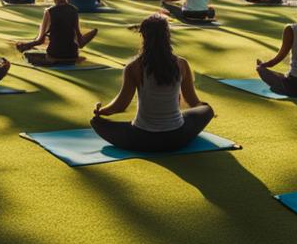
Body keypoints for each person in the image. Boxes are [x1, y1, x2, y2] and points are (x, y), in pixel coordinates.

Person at [91, 14, 214, 152]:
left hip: (142, 139)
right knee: (207, 110)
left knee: (96, 123)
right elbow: (193, 102)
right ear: (167, 36)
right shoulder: (181, 64)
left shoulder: (133, 67)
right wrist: (197, 110)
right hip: (177, 138)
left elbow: (120, 106)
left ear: (143, 37)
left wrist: (101, 112)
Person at [15, 0, 99, 65]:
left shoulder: (49, 12)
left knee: (27, 54)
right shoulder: (73, 10)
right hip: (72, 55)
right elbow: (79, 41)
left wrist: (25, 45)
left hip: (54, 56)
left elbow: (40, 41)